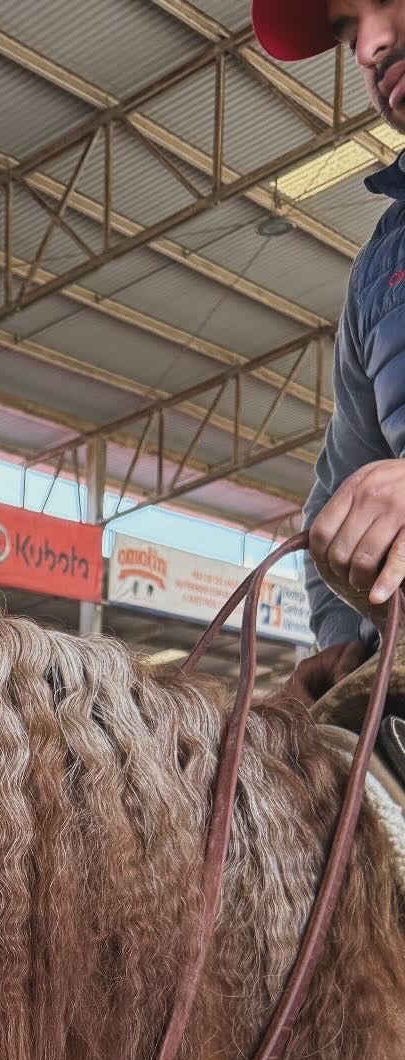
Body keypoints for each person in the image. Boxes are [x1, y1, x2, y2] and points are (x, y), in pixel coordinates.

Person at [253, 1, 405, 696]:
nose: (368, 47)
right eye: (347, 32)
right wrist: (348, 642)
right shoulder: (382, 266)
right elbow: (341, 485)